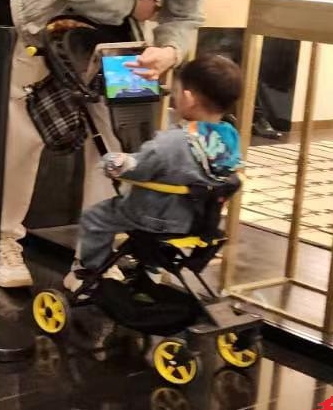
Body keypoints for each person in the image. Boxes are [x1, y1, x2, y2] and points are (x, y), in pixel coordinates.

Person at [0, 0, 271, 289]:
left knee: (119, 145)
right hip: (47, 27)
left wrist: (169, 52)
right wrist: (133, 7)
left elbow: (184, 16)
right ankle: (4, 241)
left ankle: (91, 262)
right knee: (25, 136)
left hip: (122, 42)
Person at [65, 54, 242, 291]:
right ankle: (151, 267)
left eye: (176, 91)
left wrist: (111, 162)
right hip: (199, 221)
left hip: (154, 217)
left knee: (96, 217)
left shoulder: (171, 142)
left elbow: (137, 168)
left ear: (188, 98)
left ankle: (91, 270)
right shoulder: (230, 138)